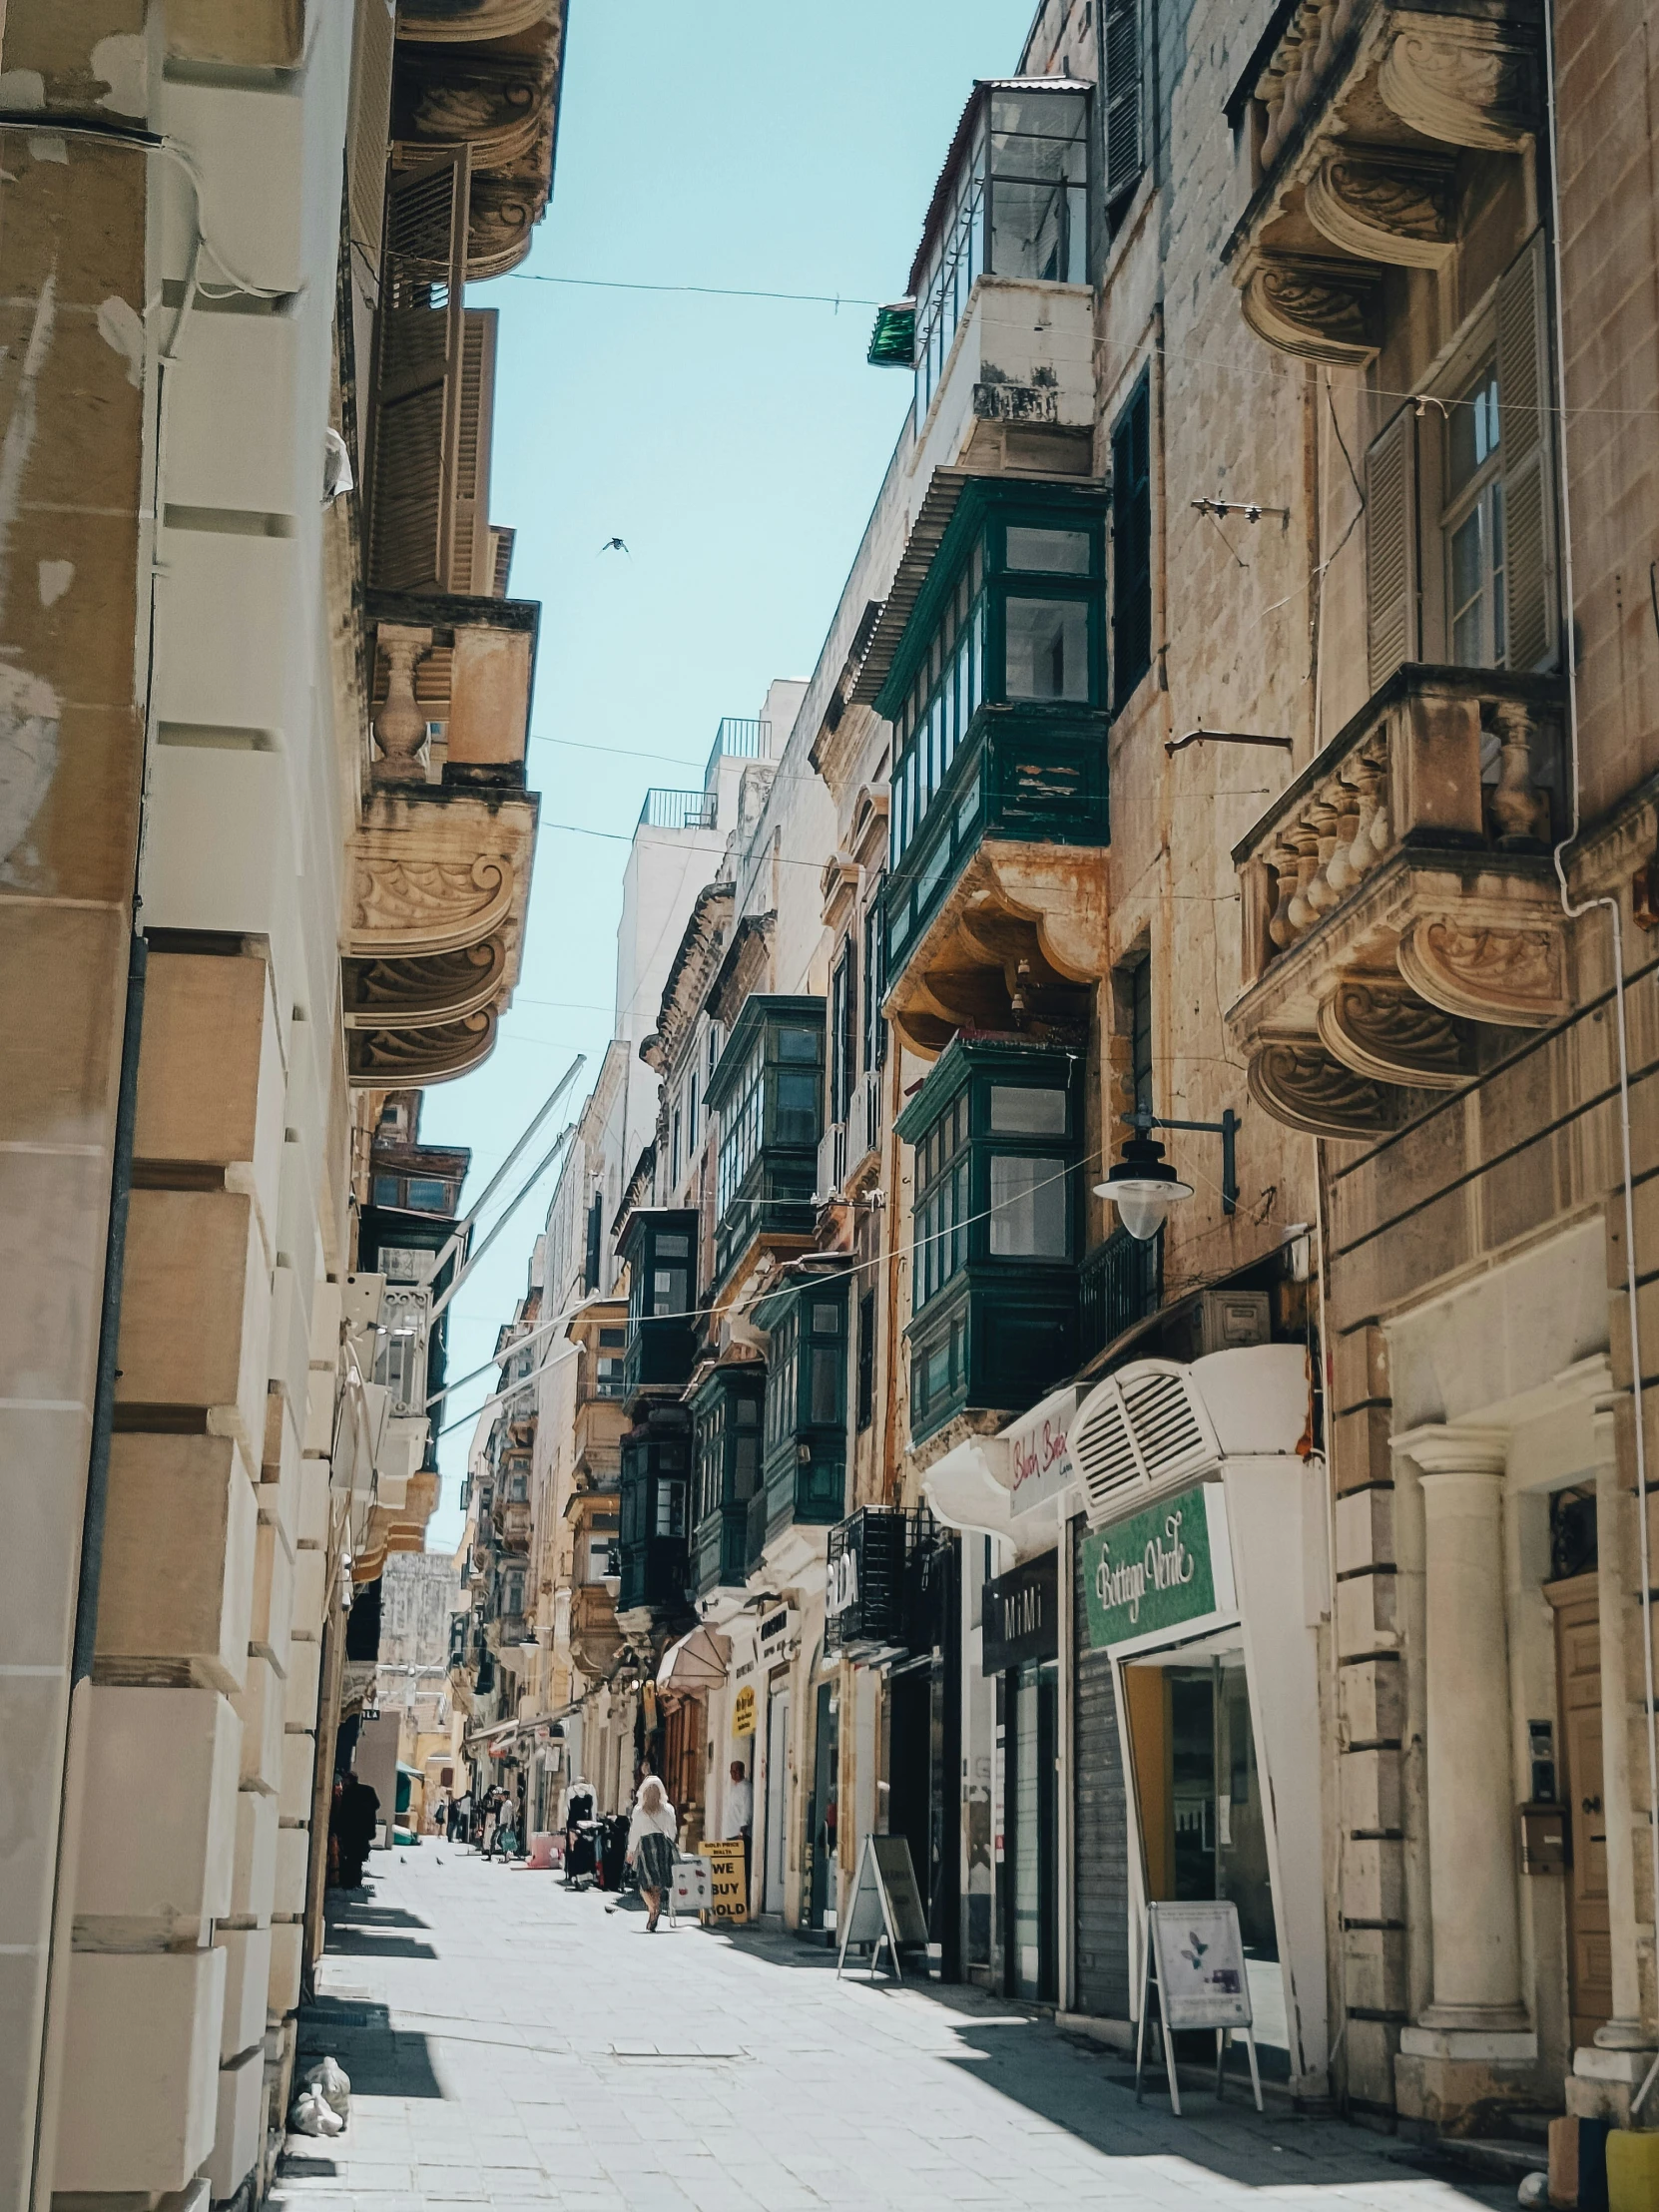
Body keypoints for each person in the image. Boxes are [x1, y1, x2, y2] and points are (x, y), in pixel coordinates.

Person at [626, 1774, 678, 1933]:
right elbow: (673, 1831)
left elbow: (634, 1832)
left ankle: (653, 1908)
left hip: (646, 1846)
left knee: (644, 1883)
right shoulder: (668, 1809)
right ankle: (654, 1911)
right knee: (657, 1884)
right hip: (661, 1846)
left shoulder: (639, 1811)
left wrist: (631, 1851)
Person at [331, 1768, 379, 1888]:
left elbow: (343, 1813)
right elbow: (376, 1804)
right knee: (357, 1858)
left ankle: (350, 1881)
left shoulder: (348, 1794)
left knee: (351, 1857)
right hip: (364, 1831)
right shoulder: (368, 1791)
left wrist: (338, 1828)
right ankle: (356, 1880)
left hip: (351, 1831)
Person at [725, 1759, 754, 1892]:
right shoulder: (733, 1788)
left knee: (742, 1867)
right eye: (732, 1771)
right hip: (730, 1832)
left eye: (737, 1770)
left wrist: (742, 1831)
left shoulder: (746, 1787)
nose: (734, 1773)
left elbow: (747, 1810)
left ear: (743, 1771)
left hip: (740, 1834)